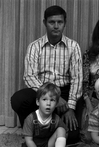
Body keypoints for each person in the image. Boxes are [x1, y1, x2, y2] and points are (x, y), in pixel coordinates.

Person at [11, 5, 83, 144]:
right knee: (18, 99)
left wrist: (70, 107)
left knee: (72, 136)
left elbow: (77, 79)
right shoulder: (34, 46)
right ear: (45, 23)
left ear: (64, 23)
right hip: (42, 90)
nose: (56, 26)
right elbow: (29, 76)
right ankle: (31, 130)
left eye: (59, 22)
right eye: (52, 22)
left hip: (65, 92)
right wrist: (49, 95)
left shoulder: (73, 46)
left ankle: (51, 130)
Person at [22, 82, 67, 147]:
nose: (48, 103)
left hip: (47, 144)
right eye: (44, 99)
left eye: (52, 100)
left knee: (61, 130)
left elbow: (65, 133)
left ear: (57, 104)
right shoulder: (30, 119)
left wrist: (60, 141)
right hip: (32, 145)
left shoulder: (56, 119)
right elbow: (29, 141)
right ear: (38, 102)